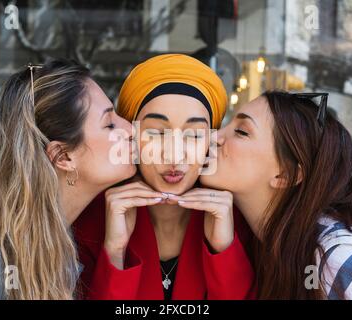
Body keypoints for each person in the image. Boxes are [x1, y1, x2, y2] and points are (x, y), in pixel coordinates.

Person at [0, 59, 136, 299]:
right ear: (62, 156)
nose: (130, 129)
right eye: (110, 124)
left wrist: (115, 252)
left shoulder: (56, 239)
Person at [74, 54, 254, 300]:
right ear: (131, 135)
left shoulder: (237, 220)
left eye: (194, 135)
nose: (174, 157)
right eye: (156, 133)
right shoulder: (91, 221)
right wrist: (114, 252)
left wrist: (223, 251)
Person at [200, 91, 352, 299]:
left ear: (286, 175)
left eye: (242, 132)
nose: (214, 136)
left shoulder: (338, 258)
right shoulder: (260, 242)